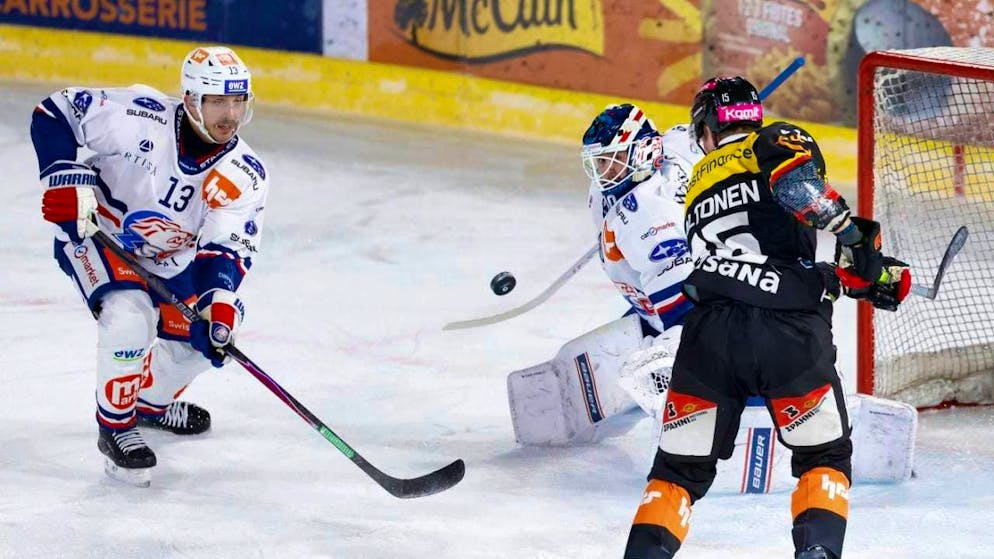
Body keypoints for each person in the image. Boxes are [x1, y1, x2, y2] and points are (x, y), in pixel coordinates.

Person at [623, 76, 911, 559]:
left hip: (709, 337)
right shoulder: (773, 139)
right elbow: (797, 187)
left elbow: (746, 264)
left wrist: (844, 277)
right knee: (825, 458)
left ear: (708, 128)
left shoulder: (697, 179)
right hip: (789, 336)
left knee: (677, 473)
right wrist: (857, 244)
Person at [32, 46, 269, 487]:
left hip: (170, 262)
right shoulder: (138, 116)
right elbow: (54, 111)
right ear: (192, 99)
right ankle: (117, 427)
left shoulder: (244, 173)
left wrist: (217, 302)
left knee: (212, 337)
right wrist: (61, 173)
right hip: (99, 238)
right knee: (129, 317)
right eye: (218, 101)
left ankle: (150, 406)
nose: (230, 115)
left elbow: (226, 249)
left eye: (238, 102)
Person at [507, 104, 702, 446]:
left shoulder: (651, 215)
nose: (601, 171)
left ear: (641, 153)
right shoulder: (665, 152)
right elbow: (687, 137)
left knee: (664, 369)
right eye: (598, 162)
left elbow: (688, 310)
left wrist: (673, 357)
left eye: (609, 160)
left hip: (696, 313)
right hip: (657, 306)